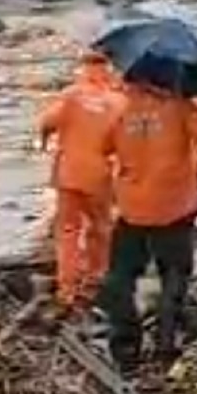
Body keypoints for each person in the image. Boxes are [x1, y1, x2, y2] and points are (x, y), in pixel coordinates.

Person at [99, 76, 197, 367]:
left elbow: (104, 146)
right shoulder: (181, 105)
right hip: (174, 205)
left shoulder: (118, 106)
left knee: (120, 276)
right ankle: (167, 343)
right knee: (175, 274)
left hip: (132, 206)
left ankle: (125, 344)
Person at [36, 52, 126, 312]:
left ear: (85, 69)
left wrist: (44, 142)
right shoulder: (118, 102)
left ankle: (67, 289)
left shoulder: (72, 95)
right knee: (101, 227)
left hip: (68, 171)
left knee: (67, 231)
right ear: (108, 70)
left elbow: (46, 123)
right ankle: (95, 278)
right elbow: (120, 144)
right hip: (98, 172)